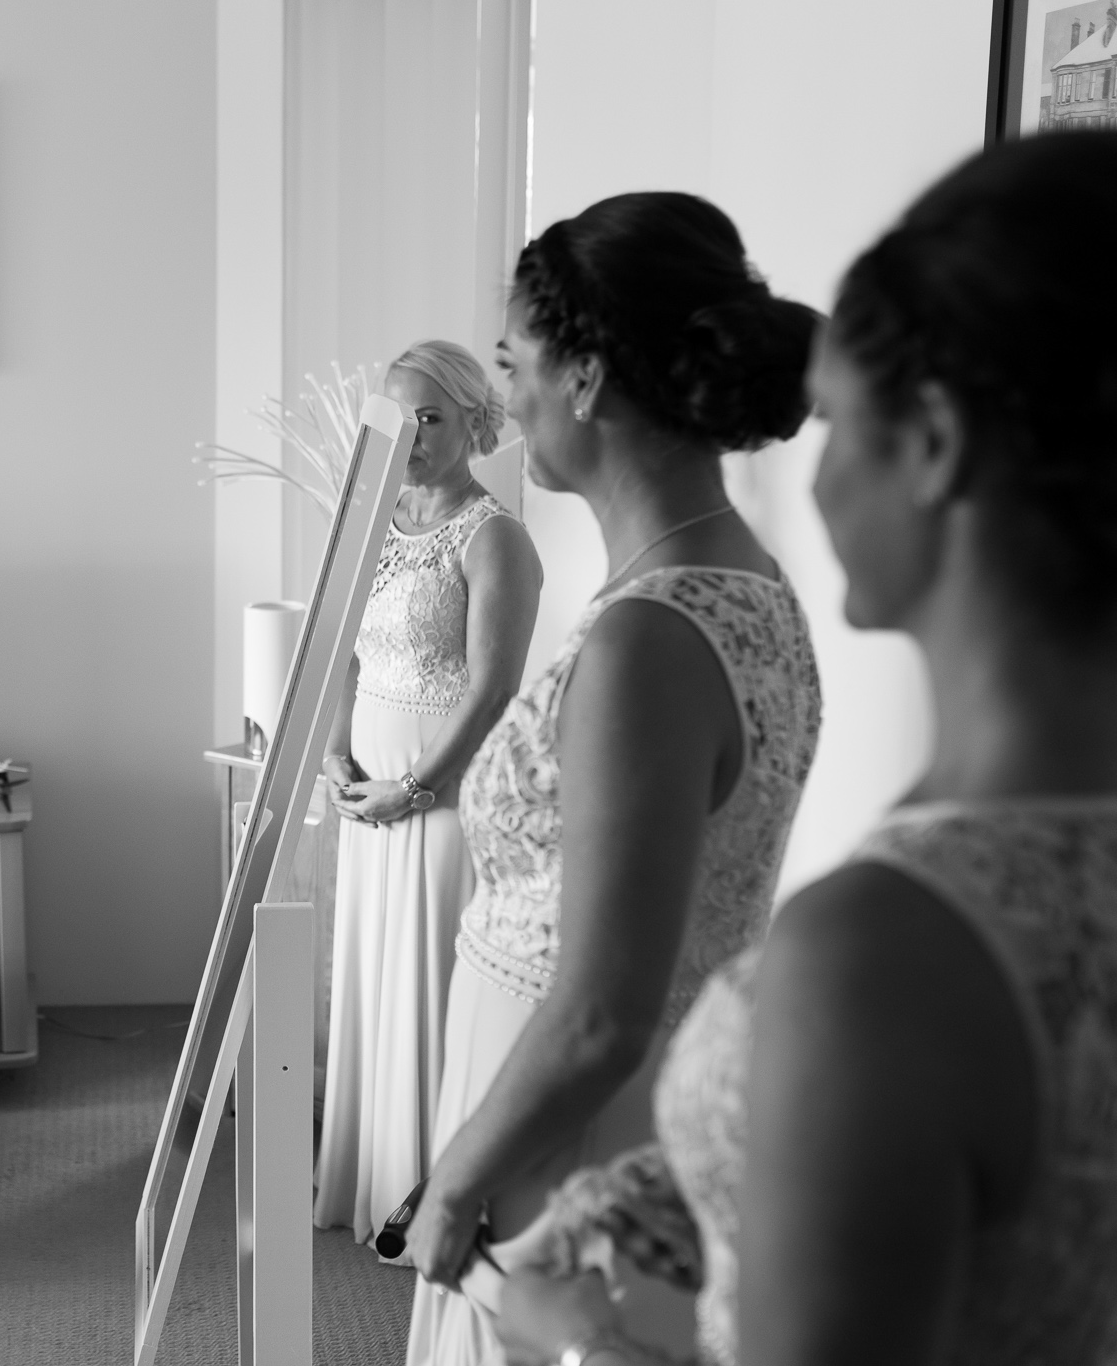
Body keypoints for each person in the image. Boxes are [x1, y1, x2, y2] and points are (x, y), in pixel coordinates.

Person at [493, 132, 1117, 1366]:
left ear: (928, 442)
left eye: (837, 418)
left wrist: (568, 1339)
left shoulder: (886, 951)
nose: (811, 466)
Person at [400, 194, 824, 1365]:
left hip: (574, 1131)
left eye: (512, 363)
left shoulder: (653, 633)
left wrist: (455, 1181)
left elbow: (597, 1009)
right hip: (601, 1099)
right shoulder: (742, 582)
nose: (507, 397)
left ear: (583, 374)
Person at [315, 340, 541, 1246]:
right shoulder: (371, 520)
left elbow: (493, 688)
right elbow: (338, 647)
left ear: (471, 422)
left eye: (431, 418)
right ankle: (369, 1175)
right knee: (372, 976)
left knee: (436, 982)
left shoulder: (497, 538)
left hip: (443, 801)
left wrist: (414, 787)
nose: (410, 436)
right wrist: (335, 754)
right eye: (399, 417)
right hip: (367, 797)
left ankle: (431, 1199)